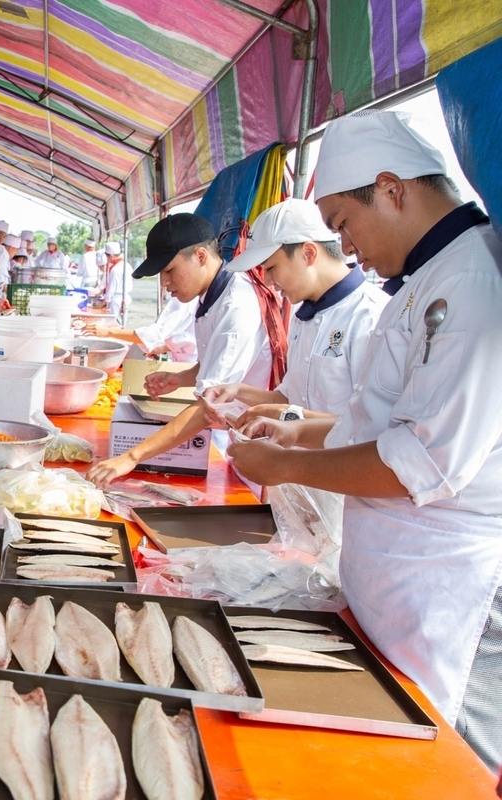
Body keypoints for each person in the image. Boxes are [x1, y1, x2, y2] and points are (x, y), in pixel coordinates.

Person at [227, 111, 502, 771]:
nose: (345, 247)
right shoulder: (424, 280)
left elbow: (419, 462)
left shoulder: (469, 281)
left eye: (345, 223)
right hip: (399, 580)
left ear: (392, 188)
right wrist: (295, 429)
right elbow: (373, 425)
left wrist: (286, 461)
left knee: (449, 765)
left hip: (449, 591)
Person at [86, 213, 278, 487]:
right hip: (230, 434)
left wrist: (131, 457)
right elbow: (213, 364)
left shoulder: (236, 307)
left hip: (249, 443)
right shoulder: (211, 297)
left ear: (200, 256)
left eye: (169, 270)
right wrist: (181, 379)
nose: (164, 284)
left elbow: (208, 407)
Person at [201, 198, 387, 425]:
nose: (268, 281)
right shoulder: (304, 316)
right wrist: (237, 391)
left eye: (271, 268)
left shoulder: (371, 316)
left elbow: (369, 425)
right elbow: (290, 397)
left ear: (308, 253)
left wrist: (283, 426)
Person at [90, 293, 199, 361]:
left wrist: (108, 332)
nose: (165, 282)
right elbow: (186, 336)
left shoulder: (185, 299)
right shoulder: (194, 297)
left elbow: (154, 335)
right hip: (185, 359)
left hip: (188, 363)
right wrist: (164, 347)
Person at [100, 242, 132, 321]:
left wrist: (105, 301)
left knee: (114, 323)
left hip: (117, 299)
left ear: (111, 255)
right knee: (122, 322)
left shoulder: (116, 269)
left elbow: (111, 288)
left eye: (107, 256)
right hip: (125, 297)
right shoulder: (127, 265)